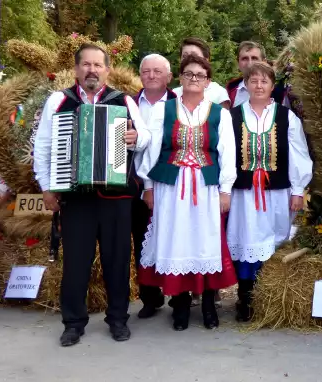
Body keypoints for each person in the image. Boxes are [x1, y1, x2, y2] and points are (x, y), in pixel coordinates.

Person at [33, 43, 151, 346]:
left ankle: (117, 319)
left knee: (117, 260)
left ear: (107, 70)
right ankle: (73, 322)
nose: (91, 70)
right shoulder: (59, 101)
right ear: (76, 69)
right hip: (76, 197)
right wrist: (47, 187)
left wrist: (136, 137)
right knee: (76, 261)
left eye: (98, 65)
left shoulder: (122, 100)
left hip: (117, 197)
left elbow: (146, 136)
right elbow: (44, 146)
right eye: (86, 64)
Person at [136, 54, 238, 331]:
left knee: (204, 243)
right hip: (170, 187)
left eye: (200, 75)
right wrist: (147, 186)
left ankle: (207, 306)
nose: (194, 79)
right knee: (175, 241)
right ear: (180, 78)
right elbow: (152, 149)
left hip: (206, 188)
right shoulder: (164, 110)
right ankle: (179, 306)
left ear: (208, 81)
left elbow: (227, 154)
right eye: (189, 74)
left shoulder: (220, 113)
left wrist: (226, 190)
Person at [226, 62, 312, 321]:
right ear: (246, 85)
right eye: (254, 81)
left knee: (274, 240)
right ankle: (246, 298)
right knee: (246, 240)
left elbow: (299, 154)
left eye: (264, 81)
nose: (259, 86)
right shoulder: (234, 116)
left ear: (272, 87)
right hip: (244, 194)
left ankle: (271, 298)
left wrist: (298, 190)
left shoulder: (287, 117)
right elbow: (227, 156)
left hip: (276, 193)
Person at [131, 54, 177, 319]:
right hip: (132, 181)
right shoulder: (127, 102)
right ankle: (150, 297)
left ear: (168, 77)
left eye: (157, 71)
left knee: (171, 237)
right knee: (141, 239)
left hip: (169, 181)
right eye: (146, 71)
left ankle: (176, 296)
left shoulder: (179, 104)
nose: (151, 75)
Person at [226, 41, 290, 108]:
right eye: (244, 58)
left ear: (264, 62)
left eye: (254, 58)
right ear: (238, 63)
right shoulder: (230, 91)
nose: (250, 63)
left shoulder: (279, 93)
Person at [173, 37, 230, 109]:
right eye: (184, 56)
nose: (189, 59)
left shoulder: (219, 94)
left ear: (206, 60)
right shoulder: (174, 94)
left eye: (194, 55)